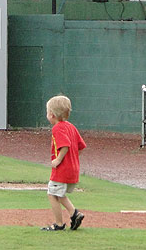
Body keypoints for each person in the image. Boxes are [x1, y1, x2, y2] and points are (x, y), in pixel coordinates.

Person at [40, 95, 87, 231]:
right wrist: (72, 159)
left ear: (52, 115)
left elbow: (65, 145)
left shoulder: (57, 128)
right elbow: (81, 146)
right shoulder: (70, 127)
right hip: (73, 169)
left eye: (48, 112)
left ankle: (60, 223)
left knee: (52, 194)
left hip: (62, 170)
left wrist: (59, 160)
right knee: (58, 194)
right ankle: (74, 214)